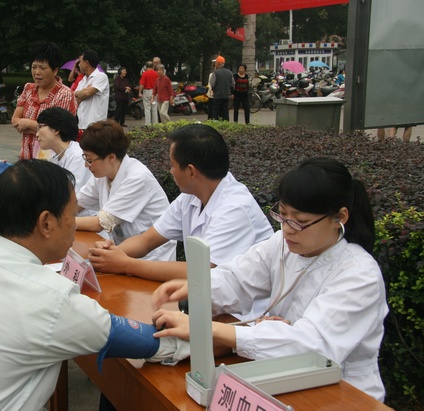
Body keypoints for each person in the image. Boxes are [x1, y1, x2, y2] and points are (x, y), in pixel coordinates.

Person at [0, 160, 189, 410]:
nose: (74, 225)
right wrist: (202, 333)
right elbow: (149, 341)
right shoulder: (49, 298)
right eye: (72, 215)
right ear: (46, 223)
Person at [152, 157, 388, 401]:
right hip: (282, 375)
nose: (287, 229)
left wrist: (207, 329)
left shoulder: (360, 275)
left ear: (340, 218)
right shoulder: (282, 245)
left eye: (300, 222)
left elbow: (313, 346)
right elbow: (238, 278)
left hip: (345, 393)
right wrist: (198, 287)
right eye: (282, 215)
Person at [88, 123, 272, 282]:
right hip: (209, 295)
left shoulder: (235, 209)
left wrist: (126, 264)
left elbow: (201, 271)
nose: (171, 171)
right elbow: (147, 240)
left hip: (246, 306)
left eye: (173, 165)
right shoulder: (191, 196)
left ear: (191, 171)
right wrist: (111, 254)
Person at [76, 120, 176, 262]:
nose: (86, 165)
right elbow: (76, 203)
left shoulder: (137, 177)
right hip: (122, 250)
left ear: (111, 157)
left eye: (90, 160)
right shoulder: (103, 174)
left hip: (152, 257)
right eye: (85, 158)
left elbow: (101, 222)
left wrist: (61, 223)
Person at [12, 41, 77, 160]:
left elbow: (59, 130)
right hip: (26, 158)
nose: (37, 72)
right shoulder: (28, 88)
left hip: (50, 161)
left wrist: (28, 124)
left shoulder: (65, 94)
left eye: (42, 68)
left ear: (55, 70)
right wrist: (43, 129)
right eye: (34, 67)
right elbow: (15, 120)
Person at [36, 106, 92, 194]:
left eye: (40, 127)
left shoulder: (78, 156)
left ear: (56, 129)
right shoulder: (55, 157)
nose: (37, 134)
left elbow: (73, 194)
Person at [74, 49, 109, 130]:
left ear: (86, 63)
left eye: (80, 62)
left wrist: (84, 93)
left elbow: (87, 93)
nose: (79, 65)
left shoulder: (101, 76)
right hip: (81, 125)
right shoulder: (82, 80)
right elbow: (75, 101)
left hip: (96, 126)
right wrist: (85, 92)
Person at [210, 55, 235, 121]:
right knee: (225, 112)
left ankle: (215, 123)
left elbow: (212, 84)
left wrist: (214, 89)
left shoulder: (215, 73)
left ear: (218, 63)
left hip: (217, 96)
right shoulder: (230, 72)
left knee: (215, 112)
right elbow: (233, 84)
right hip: (226, 96)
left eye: (216, 63)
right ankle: (225, 123)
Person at [138, 61, 158, 125]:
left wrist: (140, 92)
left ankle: (147, 123)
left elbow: (142, 84)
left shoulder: (144, 74)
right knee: (154, 108)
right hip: (155, 92)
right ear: (153, 66)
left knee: (147, 108)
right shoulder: (156, 73)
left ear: (146, 67)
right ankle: (155, 123)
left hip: (147, 91)